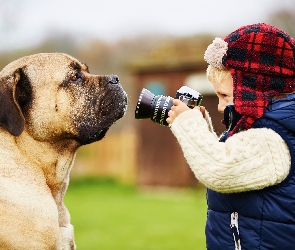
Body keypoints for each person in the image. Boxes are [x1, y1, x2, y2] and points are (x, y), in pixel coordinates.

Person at [166, 23, 295, 249]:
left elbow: (220, 168)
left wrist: (188, 124)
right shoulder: (268, 129)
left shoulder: (272, 139)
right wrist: (204, 131)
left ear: (253, 90)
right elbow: (233, 157)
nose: (219, 106)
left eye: (224, 95)